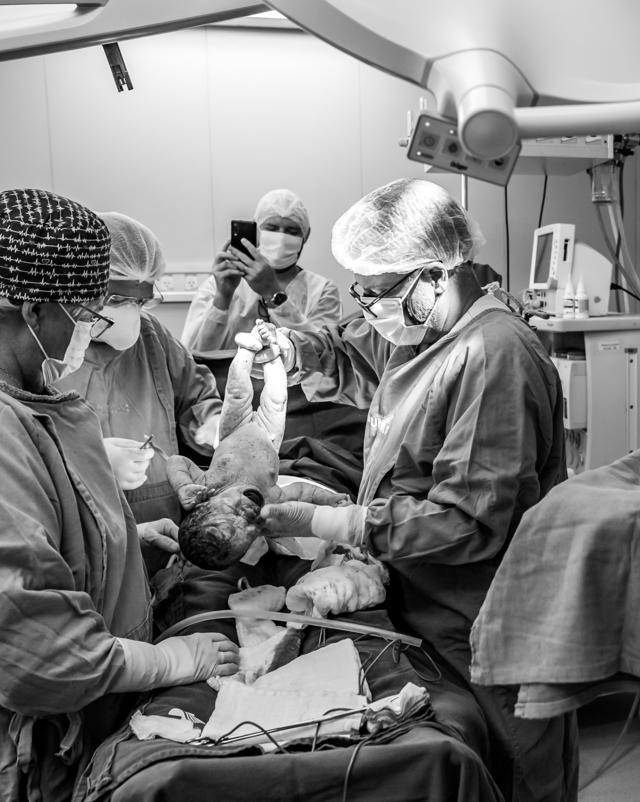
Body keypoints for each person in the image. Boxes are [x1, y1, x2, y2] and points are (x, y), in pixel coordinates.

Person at [252, 179, 577, 802]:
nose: (367, 305)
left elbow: (468, 521)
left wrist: (335, 523)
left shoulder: (494, 356)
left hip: (483, 612)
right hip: (428, 597)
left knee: (514, 766)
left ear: (434, 273)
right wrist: (293, 349)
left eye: (376, 291)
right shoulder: (424, 323)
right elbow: (350, 346)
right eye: (361, 290)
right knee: (468, 761)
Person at [0, 189, 238, 802]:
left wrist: (115, 547)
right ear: (30, 307)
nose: (92, 329)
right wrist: (174, 662)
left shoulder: (3, 392)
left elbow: (26, 540)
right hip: (11, 754)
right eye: (87, 313)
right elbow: (31, 651)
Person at [54, 212, 222, 525]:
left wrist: (212, 420)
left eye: (140, 302)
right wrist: (92, 459)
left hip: (161, 510)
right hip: (87, 517)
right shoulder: (50, 346)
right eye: (119, 301)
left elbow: (195, 393)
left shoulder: (151, 334)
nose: (133, 312)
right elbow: (26, 441)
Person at [181, 188, 342, 351]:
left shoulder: (322, 291)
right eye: (271, 228)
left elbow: (325, 353)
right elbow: (193, 355)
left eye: (292, 231)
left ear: (305, 235)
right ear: (256, 231)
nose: (280, 238)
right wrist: (222, 298)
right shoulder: (219, 284)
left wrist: (274, 294)